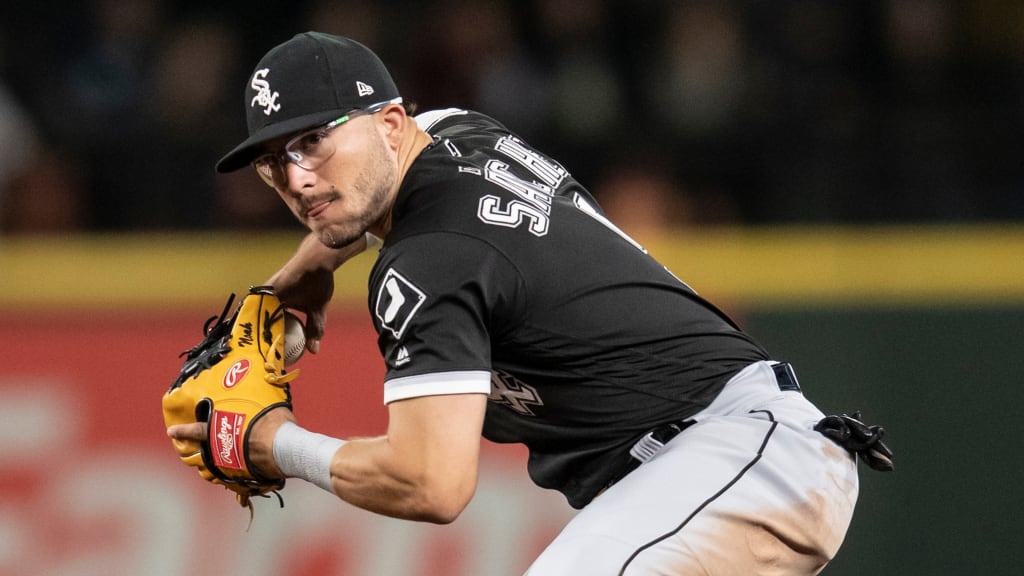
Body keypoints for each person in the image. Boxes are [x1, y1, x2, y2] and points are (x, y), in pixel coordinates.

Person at [167, 32, 890, 575]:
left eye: (315, 142)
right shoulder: (458, 131)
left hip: (732, 453)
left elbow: (431, 483)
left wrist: (270, 443)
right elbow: (413, 161)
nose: (295, 177)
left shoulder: (427, 264)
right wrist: (312, 264)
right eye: (272, 162)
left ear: (390, 124)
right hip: (734, 464)